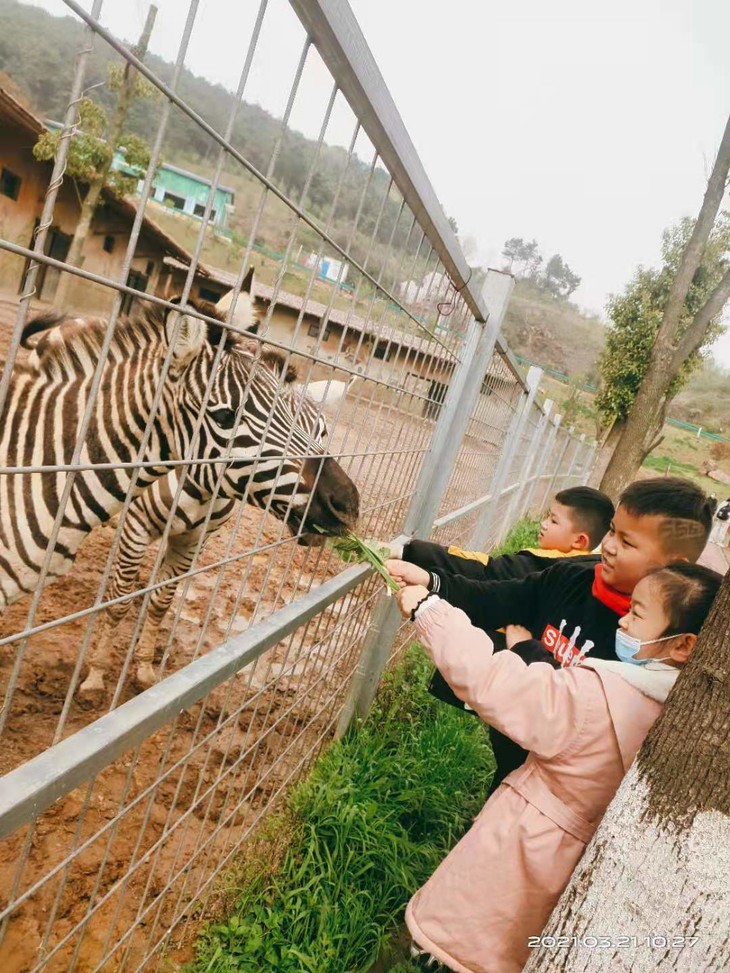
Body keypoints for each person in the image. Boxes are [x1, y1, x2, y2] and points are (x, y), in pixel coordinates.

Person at [396, 562, 722, 973]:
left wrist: (431, 612)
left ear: (684, 646)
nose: (622, 620)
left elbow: (495, 683)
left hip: (519, 847)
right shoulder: (684, 723)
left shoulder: (600, 697)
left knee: (460, 947)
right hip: (576, 872)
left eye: (637, 614)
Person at [387, 477, 715, 791]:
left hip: (566, 785)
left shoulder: (660, 642)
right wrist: (431, 581)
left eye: (627, 542)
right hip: (515, 756)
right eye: (613, 531)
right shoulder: (572, 576)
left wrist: (526, 650)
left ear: (674, 564)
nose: (610, 546)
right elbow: (492, 599)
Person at [393, 485, 614, 583]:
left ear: (579, 540)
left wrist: (409, 551)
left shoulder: (538, 566)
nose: (543, 524)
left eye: (553, 521)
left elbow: (484, 568)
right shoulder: (585, 570)